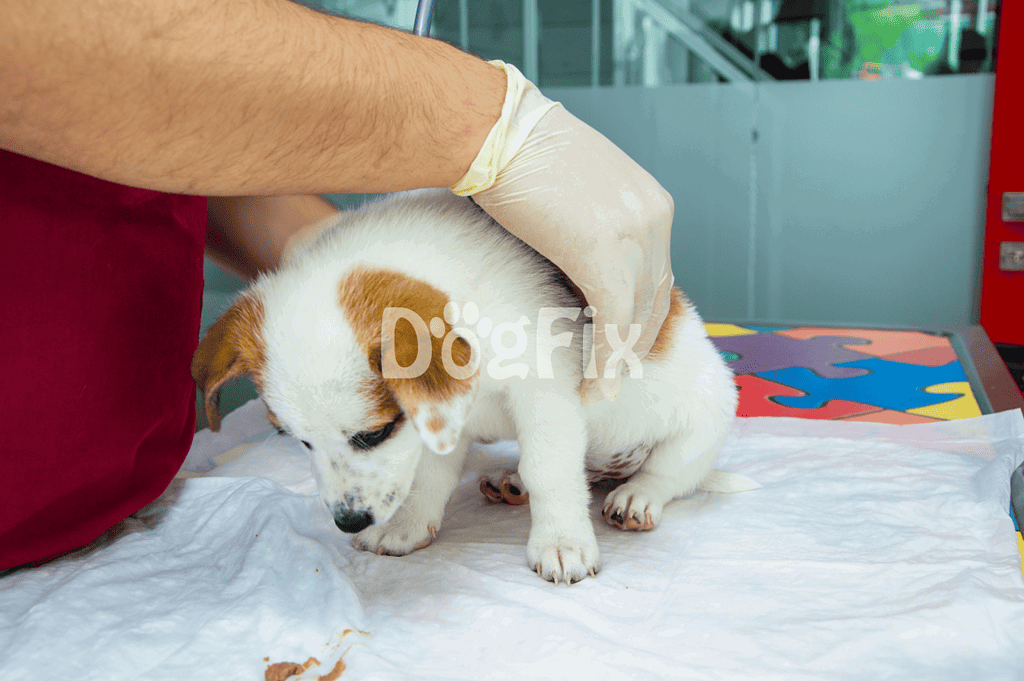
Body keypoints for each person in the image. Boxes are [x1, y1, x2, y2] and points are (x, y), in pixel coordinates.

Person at [0, 0, 675, 570]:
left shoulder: (436, 337)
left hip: (113, 495)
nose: (336, 496)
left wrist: (315, 261)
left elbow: (158, 135)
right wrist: (484, 121)